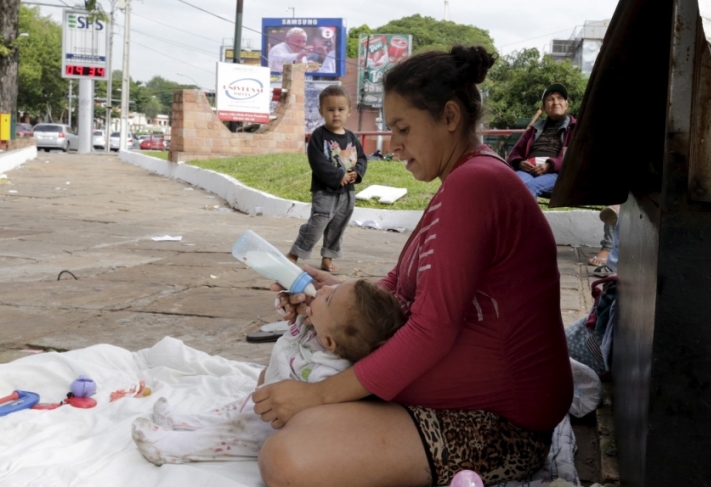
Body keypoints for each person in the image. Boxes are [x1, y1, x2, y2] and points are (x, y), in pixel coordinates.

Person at [253, 45, 573, 487]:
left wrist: (318, 396)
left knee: (288, 458)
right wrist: (331, 295)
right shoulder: (460, 182)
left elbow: (431, 329)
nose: (394, 144)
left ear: (449, 117)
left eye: (402, 128)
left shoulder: (476, 184)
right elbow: (403, 287)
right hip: (452, 399)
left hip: (497, 424)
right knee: (280, 381)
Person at [130, 279, 405, 466]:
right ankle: (188, 421)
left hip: (272, 424)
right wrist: (288, 300)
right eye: (332, 286)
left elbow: (317, 413)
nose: (322, 290)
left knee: (232, 434)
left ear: (332, 342)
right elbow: (291, 319)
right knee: (232, 410)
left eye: (329, 297)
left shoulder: (331, 372)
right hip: (262, 397)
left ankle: (172, 448)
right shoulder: (315, 328)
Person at [286, 85, 366, 273]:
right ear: (322, 111)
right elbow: (318, 162)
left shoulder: (352, 138)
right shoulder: (319, 136)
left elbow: (361, 158)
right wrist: (339, 175)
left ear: (349, 111)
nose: (336, 114)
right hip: (325, 192)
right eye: (330, 110)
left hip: (347, 193)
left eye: (341, 109)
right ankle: (295, 253)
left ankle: (327, 258)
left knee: (338, 226)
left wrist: (358, 173)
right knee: (317, 224)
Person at [507, 83, 577, 199]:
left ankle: (524, 217)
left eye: (560, 98)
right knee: (512, 185)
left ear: (566, 105)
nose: (555, 102)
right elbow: (514, 154)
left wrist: (550, 165)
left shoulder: (575, 128)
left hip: (556, 172)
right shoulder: (534, 129)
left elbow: (574, 157)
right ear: (544, 108)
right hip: (529, 169)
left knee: (530, 187)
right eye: (550, 99)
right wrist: (519, 162)